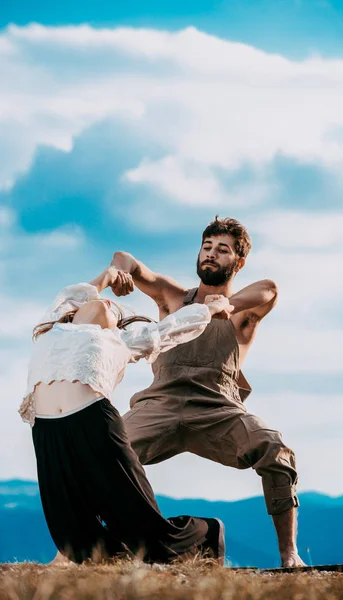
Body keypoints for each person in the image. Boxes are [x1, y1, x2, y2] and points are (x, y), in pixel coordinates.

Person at [111, 217, 305, 568]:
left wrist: (226, 305)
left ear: (238, 262)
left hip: (218, 409)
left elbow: (271, 288)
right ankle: (75, 553)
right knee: (101, 453)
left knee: (276, 451)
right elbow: (128, 260)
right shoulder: (172, 298)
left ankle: (289, 556)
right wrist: (117, 272)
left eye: (222, 250)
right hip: (160, 404)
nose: (211, 255)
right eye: (207, 247)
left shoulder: (242, 312)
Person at [19, 265, 232, 565]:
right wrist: (108, 276)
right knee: (77, 542)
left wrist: (209, 310)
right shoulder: (52, 325)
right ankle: (118, 558)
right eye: (106, 301)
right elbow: (74, 293)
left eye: (115, 314)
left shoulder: (119, 341)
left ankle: (207, 532)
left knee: (147, 535)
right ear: (73, 312)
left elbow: (170, 329)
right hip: (47, 433)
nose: (108, 304)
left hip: (94, 424)